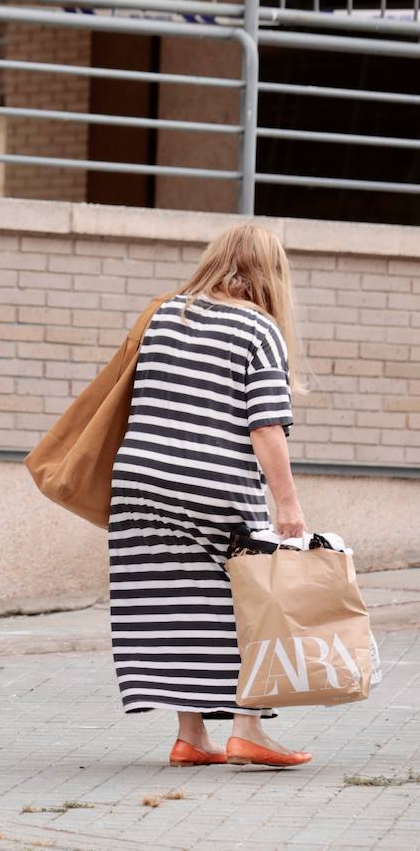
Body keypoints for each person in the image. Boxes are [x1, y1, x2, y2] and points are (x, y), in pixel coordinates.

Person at [108, 224, 313, 769]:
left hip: (138, 483)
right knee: (251, 604)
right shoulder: (258, 328)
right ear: (270, 272)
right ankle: (248, 729)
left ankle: (193, 736)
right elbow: (265, 425)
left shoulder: (164, 315)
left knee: (174, 603)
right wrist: (287, 504)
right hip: (212, 482)